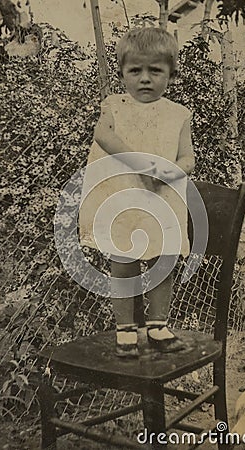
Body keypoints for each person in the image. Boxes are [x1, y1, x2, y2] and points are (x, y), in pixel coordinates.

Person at [79, 27, 195, 358]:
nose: (145, 79)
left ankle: (158, 324)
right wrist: (142, 165)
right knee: (124, 260)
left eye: (155, 70)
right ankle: (125, 327)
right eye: (135, 70)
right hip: (125, 196)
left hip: (162, 195)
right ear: (121, 73)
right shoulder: (114, 106)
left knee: (164, 258)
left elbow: (188, 157)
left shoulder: (178, 114)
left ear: (171, 73)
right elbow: (105, 137)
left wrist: (169, 171)